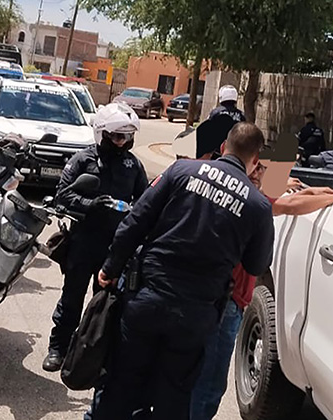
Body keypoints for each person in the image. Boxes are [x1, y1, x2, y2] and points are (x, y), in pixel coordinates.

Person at [89, 122, 274, 420]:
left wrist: (110, 268)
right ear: (255, 161)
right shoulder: (258, 205)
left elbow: (135, 223)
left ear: (223, 148)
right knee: (174, 395)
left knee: (122, 384)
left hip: (146, 298)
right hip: (195, 316)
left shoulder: (181, 171)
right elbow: (256, 265)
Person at [189, 162, 333, 420]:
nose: (261, 174)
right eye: (258, 168)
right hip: (227, 301)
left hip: (218, 298)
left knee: (202, 377)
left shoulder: (246, 189)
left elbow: (291, 196)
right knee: (209, 383)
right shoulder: (251, 198)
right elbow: (288, 205)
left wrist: (325, 193)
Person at [42, 102, 149, 372]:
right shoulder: (82, 160)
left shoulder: (133, 165)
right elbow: (62, 195)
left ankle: (96, 355)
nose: (122, 142)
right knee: (72, 298)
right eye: (116, 136)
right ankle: (58, 348)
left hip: (115, 247)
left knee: (106, 305)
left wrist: (135, 214)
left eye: (126, 137)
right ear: (102, 134)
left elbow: (145, 201)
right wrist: (90, 204)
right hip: (83, 242)